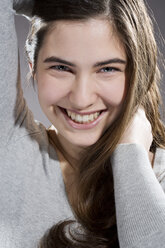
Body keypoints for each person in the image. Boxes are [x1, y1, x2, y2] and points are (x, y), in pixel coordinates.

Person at [0, 0, 165, 247]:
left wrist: (130, 156)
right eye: (61, 67)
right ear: (33, 68)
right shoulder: (13, 148)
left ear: (136, 72)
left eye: (107, 69)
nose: (81, 99)